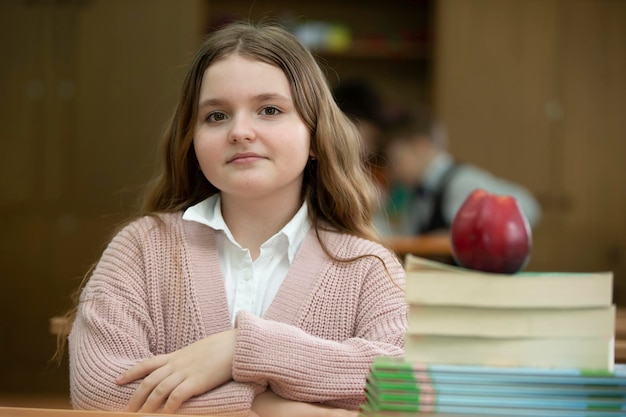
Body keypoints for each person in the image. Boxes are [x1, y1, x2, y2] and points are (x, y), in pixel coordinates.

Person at [64, 21, 407, 417]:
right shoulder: (141, 247)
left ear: (314, 136)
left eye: (270, 110)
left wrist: (240, 348)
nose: (240, 131)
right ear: (192, 140)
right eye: (216, 116)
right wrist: (268, 408)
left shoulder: (368, 266)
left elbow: (401, 380)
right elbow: (99, 391)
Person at [383, 106, 541, 236]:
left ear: (420, 147)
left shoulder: (461, 183)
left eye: (395, 160)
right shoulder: (416, 191)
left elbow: (529, 208)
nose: (392, 170)